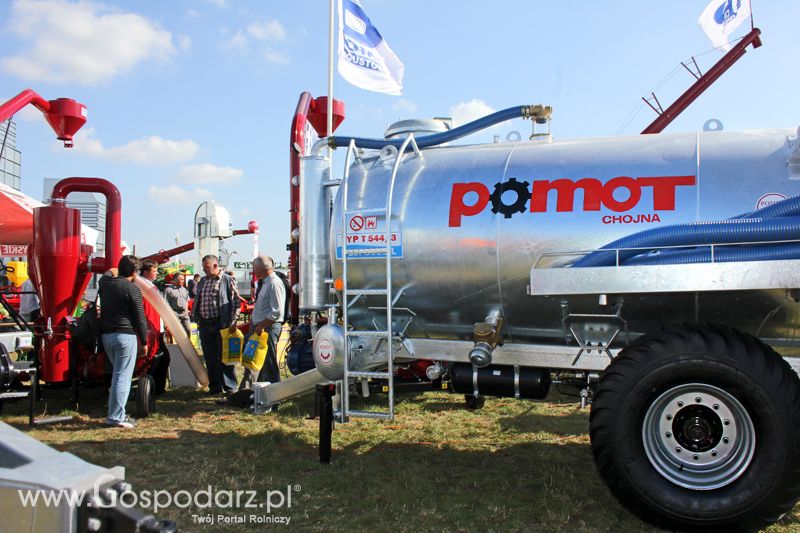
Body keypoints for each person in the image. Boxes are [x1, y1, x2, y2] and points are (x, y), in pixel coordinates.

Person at [98, 255, 148, 429]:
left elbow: (103, 278)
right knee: (122, 377)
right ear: (135, 272)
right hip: (125, 336)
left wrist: (108, 271)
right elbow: (140, 317)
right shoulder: (132, 289)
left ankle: (115, 413)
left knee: (117, 376)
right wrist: (144, 340)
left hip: (106, 336)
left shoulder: (105, 286)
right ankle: (116, 416)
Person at [191, 254, 240, 395]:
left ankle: (230, 387)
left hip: (221, 323)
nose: (204, 270)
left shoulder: (227, 280)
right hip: (205, 324)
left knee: (225, 357)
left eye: (206, 267)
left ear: (215, 266)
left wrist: (233, 321)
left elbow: (236, 302)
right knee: (210, 357)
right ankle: (215, 387)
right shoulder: (202, 281)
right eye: (203, 267)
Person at [240, 255, 285, 389]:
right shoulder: (266, 282)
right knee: (253, 362)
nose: (254, 271)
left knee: (268, 364)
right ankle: (254, 392)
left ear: (260, 268)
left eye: (254, 268)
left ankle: (274, 394)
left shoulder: (274, 283)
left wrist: (261, 326)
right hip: (261, 327)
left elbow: (277, 312)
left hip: (267, 328)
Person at [164, 273, 191, 338]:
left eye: (183, 279)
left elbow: (187, 301)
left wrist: (187, 310)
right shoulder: (168, 290)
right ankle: (177, 346)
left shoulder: (184, 289)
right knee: (176, 332)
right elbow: (165, 303)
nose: (183, 281)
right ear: (175, 280)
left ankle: (187, 346)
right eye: (181, 279)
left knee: (188, 330)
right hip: (175, 313)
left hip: (184, 313)